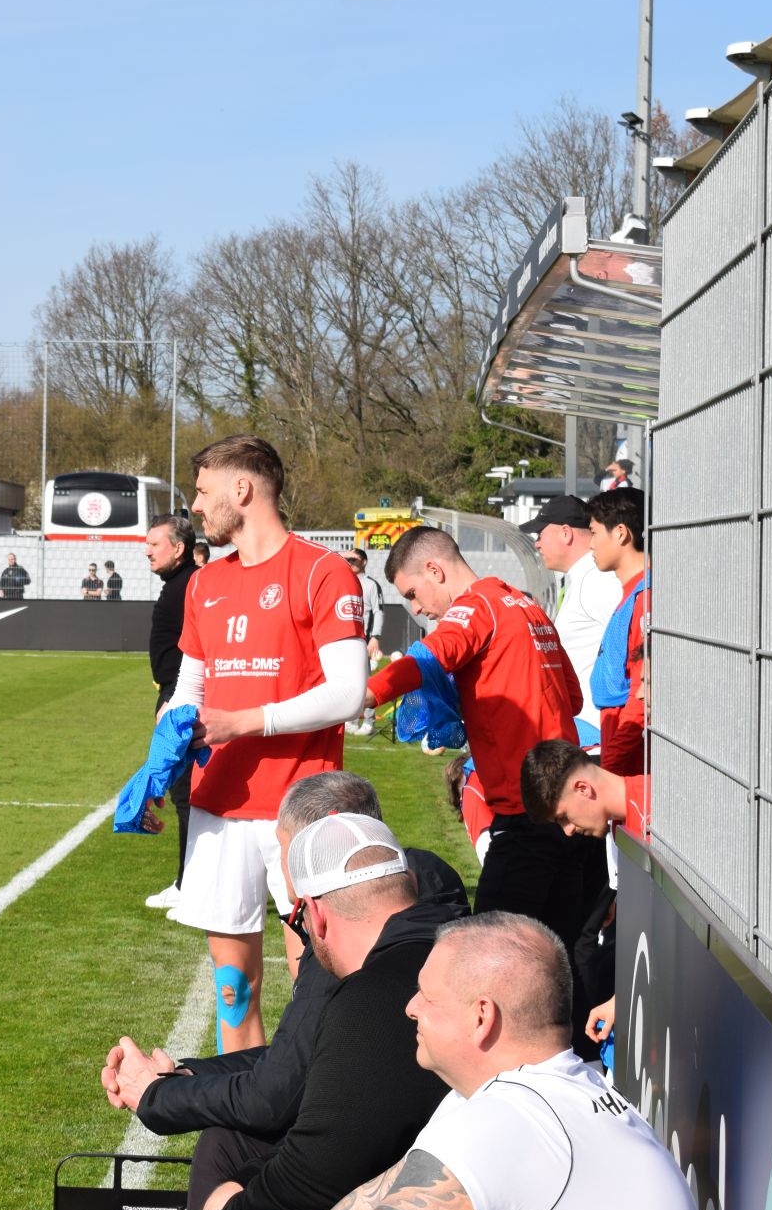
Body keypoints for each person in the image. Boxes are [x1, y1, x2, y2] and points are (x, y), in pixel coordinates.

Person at [104, 775, 466, 1210]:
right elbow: (297, 1060)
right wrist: (184, 1075)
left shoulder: (356, 956)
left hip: (391, 1180)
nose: (284, 874)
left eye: (284, 848)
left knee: (228, 1151)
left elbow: (278, 1105)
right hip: (429, 1155)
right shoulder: (432, 903)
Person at [305, 913, 699, 1210]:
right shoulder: (540, 1095)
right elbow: (376, 1200)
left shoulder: (510, 1121)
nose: (411, 1007)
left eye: (427, 995)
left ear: (481, 1017)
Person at [165, 434, 367, 1052]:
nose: (197, 506)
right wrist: (156, 768)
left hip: (300, 810)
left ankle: (314, 1111)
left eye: (203, 491)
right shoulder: (203, 583)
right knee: (233, 989)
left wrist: (244, 722)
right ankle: (240, 1108)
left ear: (242, 488)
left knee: (317, 987)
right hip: (218, 805)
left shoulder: (322, 572)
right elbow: (188, 690)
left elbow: (348, 693)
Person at [175, 812, 453, 1210]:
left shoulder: (370, 998)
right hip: (433, 1175)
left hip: (423, 1205)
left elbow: (318, 1171)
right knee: (227, 1144)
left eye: (299, 916)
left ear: (317, 915)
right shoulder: (462, 949)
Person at [361, 527, 602, 965]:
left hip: (528, 814)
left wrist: (364, 694)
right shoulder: (527, 605)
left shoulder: (475, 607)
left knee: (484, 962)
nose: (416, 609)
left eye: (413, 594)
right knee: (557, 967)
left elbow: (426, 659)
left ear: (435, 569)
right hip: (572, 817)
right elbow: (572, 697)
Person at [521, 736, 654, 1049]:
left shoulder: (656, 813)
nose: (568, 830)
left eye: (563, 817)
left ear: (582, 788)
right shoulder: (617, 830)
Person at [522, 496, 623, 751]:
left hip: (596, 736)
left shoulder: (596, 580)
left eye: (541, 533)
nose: (537, 543)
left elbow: (634, 641)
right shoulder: (583, 578)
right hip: (585, 731)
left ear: (566, 533)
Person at [141, 514, 198, 909]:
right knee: (187, 794)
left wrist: (175, 697)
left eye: (154, 544)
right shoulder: (179, 585)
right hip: (175, 692)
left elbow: (198, 647)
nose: (147, 551)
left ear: (178, 548)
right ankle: (189, 883)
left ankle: (189, 886)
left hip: (183, 696)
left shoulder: (190, 586)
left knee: (187, 794)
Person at [585, 488, 650, 778]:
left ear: (621, 533)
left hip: (631, 763)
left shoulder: (645, 597)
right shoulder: (632, 594)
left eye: (594, 533)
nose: (590, 544)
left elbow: (642, 695)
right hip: (619, 749)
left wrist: (609, 769)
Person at [341, 548, 385, 734]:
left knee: (365, 682)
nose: (350, 562)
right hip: (344, 640)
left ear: (364, 562)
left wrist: (375, 636)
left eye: (354, 559)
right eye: (347, 559)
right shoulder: (342, 581)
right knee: (346, 681)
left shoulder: (371, 585)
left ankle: (368, 721)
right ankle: (350, 720)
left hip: (362, 639)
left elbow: (378, 611)